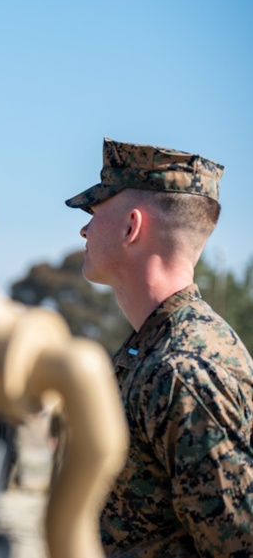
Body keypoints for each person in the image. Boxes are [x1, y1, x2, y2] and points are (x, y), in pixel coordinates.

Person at [66, 137, 253, 557]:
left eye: (94, 212)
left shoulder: (183, 368)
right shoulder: (153, 349)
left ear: (132, 227)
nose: (84, 228)